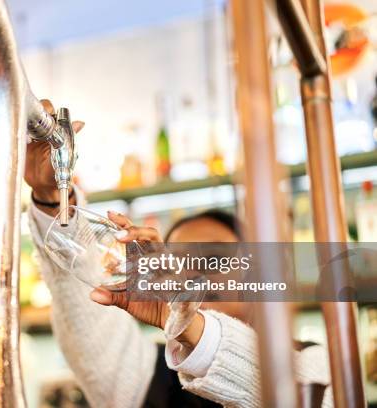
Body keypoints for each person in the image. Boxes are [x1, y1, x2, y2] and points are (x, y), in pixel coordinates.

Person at [25, 101, 333, 408]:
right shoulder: (149, 377)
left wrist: (193, 325)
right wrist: (54, 197)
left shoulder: (316, 365)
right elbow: (84, 315)